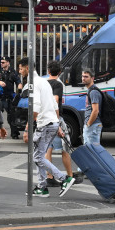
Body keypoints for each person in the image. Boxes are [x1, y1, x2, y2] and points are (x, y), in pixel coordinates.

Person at [18, 57, 72, 198]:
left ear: (26, 68)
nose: (20, 71)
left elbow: (35, 107)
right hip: (52, 123)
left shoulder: (34, 83)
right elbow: (55, 106)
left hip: (45, 124)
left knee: (38, 157)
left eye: (21, 68)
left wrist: (27, 129)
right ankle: (42, 187)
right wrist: (58, 125)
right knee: (39, 156)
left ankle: (63, 178)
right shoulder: (44, 81)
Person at [44, 61, 80, 191]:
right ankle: (70, 176)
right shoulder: (58, 84)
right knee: (66, 147)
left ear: (48, 71)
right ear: (59, 72)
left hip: (45, 119)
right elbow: (55, 101)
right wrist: (57, 121)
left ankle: (49, 177)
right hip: (55, 118)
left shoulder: (44, 83)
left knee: (48, 148)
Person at [0, 56, 21, 138]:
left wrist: (19, 90)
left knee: (11, 116)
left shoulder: (12, 72)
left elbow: (18, 82)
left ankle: (14, 133)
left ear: (8, 63)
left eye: (3, 62)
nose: (1, 64)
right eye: (1, 62)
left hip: (9, 97)